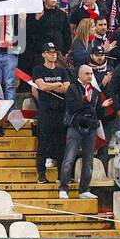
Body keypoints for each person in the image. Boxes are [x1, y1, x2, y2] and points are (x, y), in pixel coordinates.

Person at [58, 64, 102, 200]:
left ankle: (84, 189)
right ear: (80, 75)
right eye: (87, 74)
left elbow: (97, 110)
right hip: (76, 126)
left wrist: (102, 107)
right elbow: (71, 107)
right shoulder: (72, 88)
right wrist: (86, 103)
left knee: (88, 160)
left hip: (91, 127)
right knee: (69, 158)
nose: (90, 76)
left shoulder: (95, 91)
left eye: (91, 74)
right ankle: (63, 188)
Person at [32, 42, 71, 185]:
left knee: (61, 145)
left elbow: (67, 88)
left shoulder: (62, 71)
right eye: (49, 52)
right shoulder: (38, 69)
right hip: (45, 111)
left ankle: (62, 176)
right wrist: (57, 85)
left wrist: (50, 87)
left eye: (54, 52)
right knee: (43, 144)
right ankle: (41, 174)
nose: (53, 54)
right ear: (43, 54)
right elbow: (40, 86)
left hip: (60, 111)